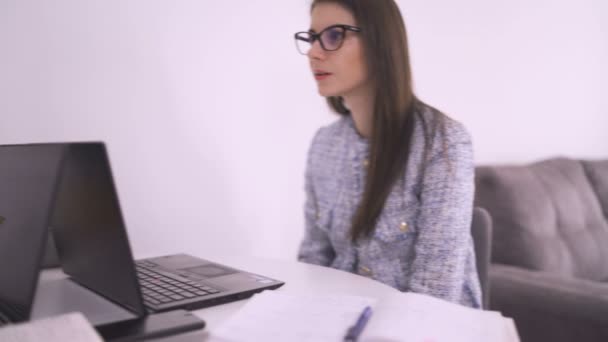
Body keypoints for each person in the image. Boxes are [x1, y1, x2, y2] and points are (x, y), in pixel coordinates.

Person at [294, 0, 481, 308]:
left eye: (333, 36)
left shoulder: (443, 142)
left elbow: (435, 295)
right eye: (312, 37)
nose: (314, 52)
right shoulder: (324, 145)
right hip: (340, 322)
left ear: (381, 43)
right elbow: (313, 262)